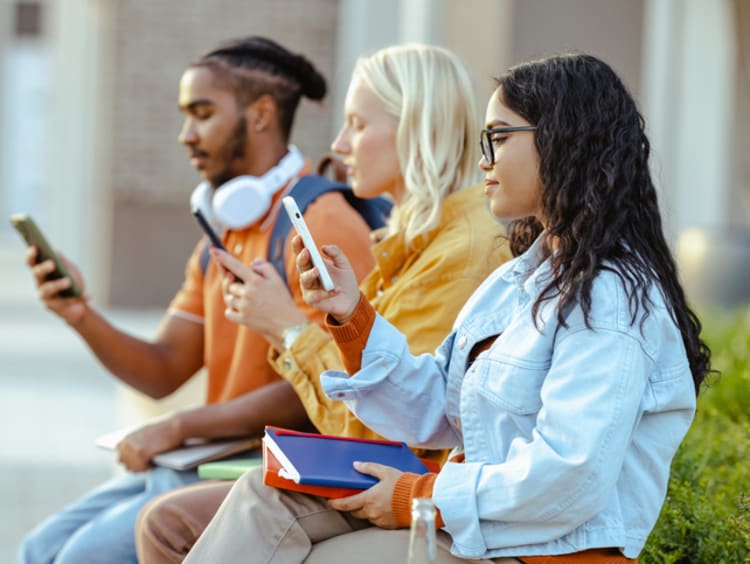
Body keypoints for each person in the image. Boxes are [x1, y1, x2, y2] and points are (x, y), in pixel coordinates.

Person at [181, 53, 713, 563]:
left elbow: (569, 477)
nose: (484, 158)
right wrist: (351, 317)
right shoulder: (519, 278)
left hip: (542, 552)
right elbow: (439, 405)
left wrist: (421, 494)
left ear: (564, 141)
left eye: (499, 138)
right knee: (262, 493)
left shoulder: (610, 297)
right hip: (474, 528)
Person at [135, 43, 512, 563]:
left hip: (413, 485)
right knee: (170, 518)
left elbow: (388, 427)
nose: (339, 145)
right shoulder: (409, 242)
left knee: (178, 520)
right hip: (380, 472)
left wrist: (289, 330)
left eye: (357, 125)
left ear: (413, 128)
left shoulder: (460, 251)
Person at [17, 36, 377, 564]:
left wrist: (180, 425)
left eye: (202, 114)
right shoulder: (222, 233)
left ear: (260, 115)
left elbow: (327, 385)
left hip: (266, 469)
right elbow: (165, 369)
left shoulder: (320, 222)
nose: (186, 135)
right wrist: (81, 316)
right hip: (200, 459)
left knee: (78, 559)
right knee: (38, 548)